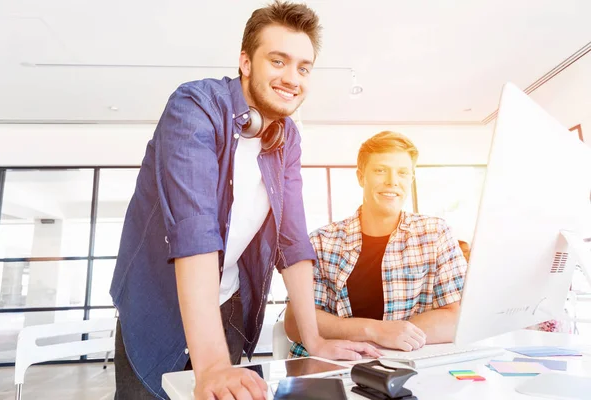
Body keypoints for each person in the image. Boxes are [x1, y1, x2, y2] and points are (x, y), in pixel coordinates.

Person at [109, 2, 379, 399]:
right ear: (246, 63)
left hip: (227, 306)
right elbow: (194, 228)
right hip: (157, 306)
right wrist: (213, 365)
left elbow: (293, 242)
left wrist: (315, 340)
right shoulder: (194, 107)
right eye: (278, 61)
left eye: (303, 68)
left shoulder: (287, 138)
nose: (292, 78)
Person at [284, 131, 468, 357]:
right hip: (332, 366)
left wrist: (396, 339)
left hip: (406, 367)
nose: (392, 181)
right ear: (361, 177)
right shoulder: (321, 241)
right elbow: (294, 323)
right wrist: (376, 331)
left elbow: (457, 315)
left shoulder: (436, 233)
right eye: (381, 170)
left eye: (402, 173)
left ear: (410, 180)